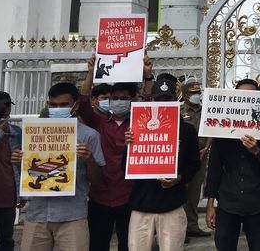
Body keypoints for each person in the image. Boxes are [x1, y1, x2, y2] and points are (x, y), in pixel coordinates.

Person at [15, 82, 105, 251]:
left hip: (72, 216)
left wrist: (90, 159)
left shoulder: (89, 136)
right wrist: (18, 160)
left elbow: (98, 181)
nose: (58, 109)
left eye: (64, 105)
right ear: (48, 105)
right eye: (53, 105)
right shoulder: (33, 133)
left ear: (75, 105)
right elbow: (28, 174)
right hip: (37, 214)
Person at [124, 75, 201, 251]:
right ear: (152, 100)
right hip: (142, 206)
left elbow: (194, 164)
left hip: (172, 205)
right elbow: (125, 167)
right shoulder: (136, 127)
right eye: (160, 99)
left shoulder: (187, 130)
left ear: (176, 100)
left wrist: (179, 178)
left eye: (168, 99)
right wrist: (128, 146)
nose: (164, 103)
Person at [203, 78, 260, 250]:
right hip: (228, 203)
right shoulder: (222, 128)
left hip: (257, 203)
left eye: (251, 96)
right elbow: (215, 167)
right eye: (242, 95)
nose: (246, 100)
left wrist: (257, 151)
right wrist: (210, 205)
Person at [79, 55, 144, 251]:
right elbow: (82, 102)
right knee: (98, 244)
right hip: (100, 195)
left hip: (130, 195)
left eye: (123, 99)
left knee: (128, 245)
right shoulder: (98, 122)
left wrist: (147, 76)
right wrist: (91, 72)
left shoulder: (141, 124)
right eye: (114, 98)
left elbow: (152, 104)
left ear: (132, 100)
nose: (117, 102)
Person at [180, 80, 212, 239]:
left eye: (198, 93)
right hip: (184, 158)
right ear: (185, 95)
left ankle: (192, 226)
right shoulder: (180, 111)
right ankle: (181, 229)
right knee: (182, 193)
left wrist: (206, 148)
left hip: (201, 155)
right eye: (193, 93)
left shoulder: (205, 110)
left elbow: (211, 129)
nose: (197, 95)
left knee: (194, 193)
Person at [0, 92, 20, 251]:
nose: (6, 110)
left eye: (8, 105)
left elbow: (24, 163)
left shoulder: (17, 132)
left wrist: (23, 193)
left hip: (8, 197)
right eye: (2, 106)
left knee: (6, 239)